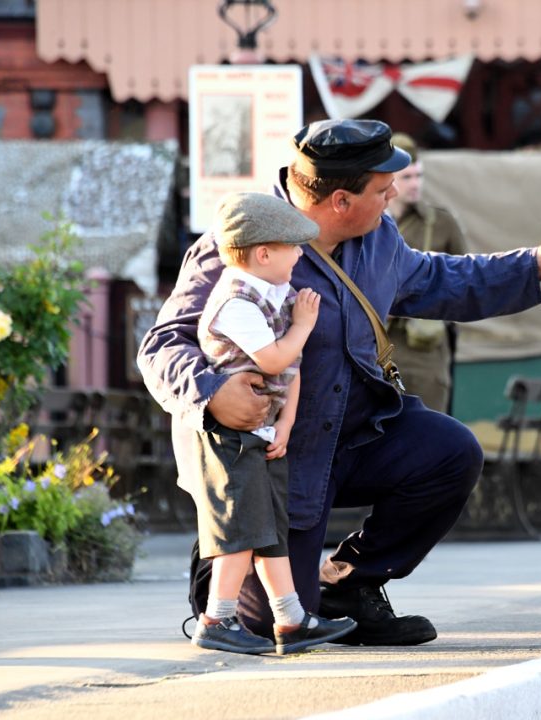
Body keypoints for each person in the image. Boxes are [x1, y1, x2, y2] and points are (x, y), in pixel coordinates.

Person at [138, 119, 541, 646]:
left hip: (354, 432)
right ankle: (220, 564)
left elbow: (438, 279)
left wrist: (534, 266)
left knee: (450, 452)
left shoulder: (378, 236)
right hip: (270, 458)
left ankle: (349, 584)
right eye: (384, 191)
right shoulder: (243, 241)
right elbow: (161, 345)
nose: (393, 200)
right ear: (341, 200)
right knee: (269, 627)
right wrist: (210, 392)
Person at [185, 192, 356, 655]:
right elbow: (276, 355)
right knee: (242, 530)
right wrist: (303, 325)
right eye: (293, 248)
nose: (301, 255)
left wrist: (286, 424)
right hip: (231, 437)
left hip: (262, 432)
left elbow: (290, 369)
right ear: (263, 253)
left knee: (271, 530)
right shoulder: (235, 301)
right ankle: (216, 619)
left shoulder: (273, 292)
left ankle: (291, 620)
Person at [384, 132, 467, 413]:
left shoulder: (441, 224)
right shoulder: (367, 226)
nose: (415, 184)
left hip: (424, 351)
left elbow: (464, 281)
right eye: (407, 177)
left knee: (432, 433)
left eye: (419, 176)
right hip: (376, 348)